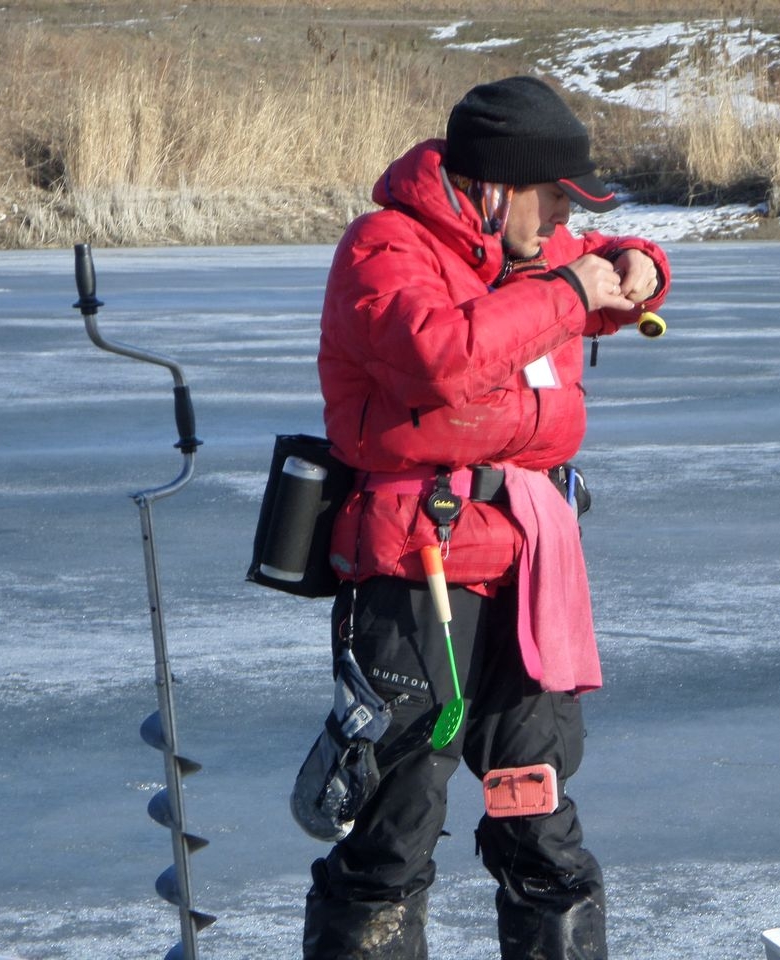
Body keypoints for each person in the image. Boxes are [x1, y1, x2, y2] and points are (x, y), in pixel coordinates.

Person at [302, 74, 672, 959]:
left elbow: (604, 258)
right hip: (416, 570)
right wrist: (571, 293)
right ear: (498, 187)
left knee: (536, 815)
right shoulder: (384, 248)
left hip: (529, 571)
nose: (563, 218)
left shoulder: (533, 251)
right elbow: (441, 355)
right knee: (394, 824)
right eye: (553, 196)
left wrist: (643, 266)